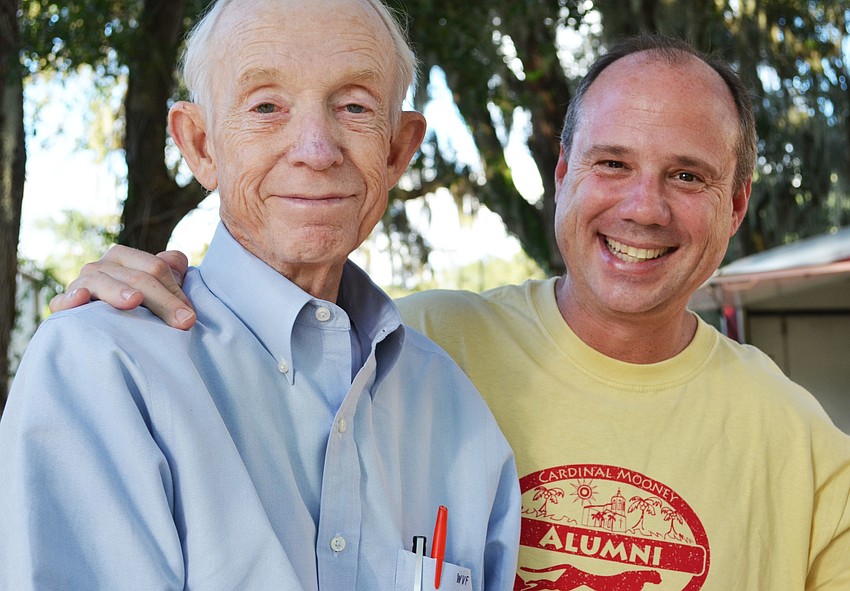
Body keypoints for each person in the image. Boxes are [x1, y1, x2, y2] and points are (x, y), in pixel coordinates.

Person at [49, 35, 850, 590]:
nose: (643, 207)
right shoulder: (404, 350)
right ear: (563, 172)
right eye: (613, 163)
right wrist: (127, 301)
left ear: (738, 202)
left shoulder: (808, 452)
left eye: (687, 176)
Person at [0, 0, 523, 589]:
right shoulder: (102, 369)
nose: (317, 150)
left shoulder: (454, 411)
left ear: (397, 150)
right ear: (201, 145)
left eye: (355, 106)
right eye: (267, 106)